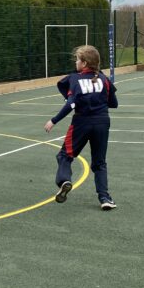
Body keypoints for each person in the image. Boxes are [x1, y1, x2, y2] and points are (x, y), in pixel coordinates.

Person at [43, 45, 119, 209]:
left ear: (84, 63)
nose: (76, 62)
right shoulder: (104, 79)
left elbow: (70, 104)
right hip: (102, 122)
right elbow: (114, 103)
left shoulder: (75, 79)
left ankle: (65, 181)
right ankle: (105, 198)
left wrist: (53, 120)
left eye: (77, 59)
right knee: (99, 163)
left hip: (82, 123)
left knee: (64, 156)